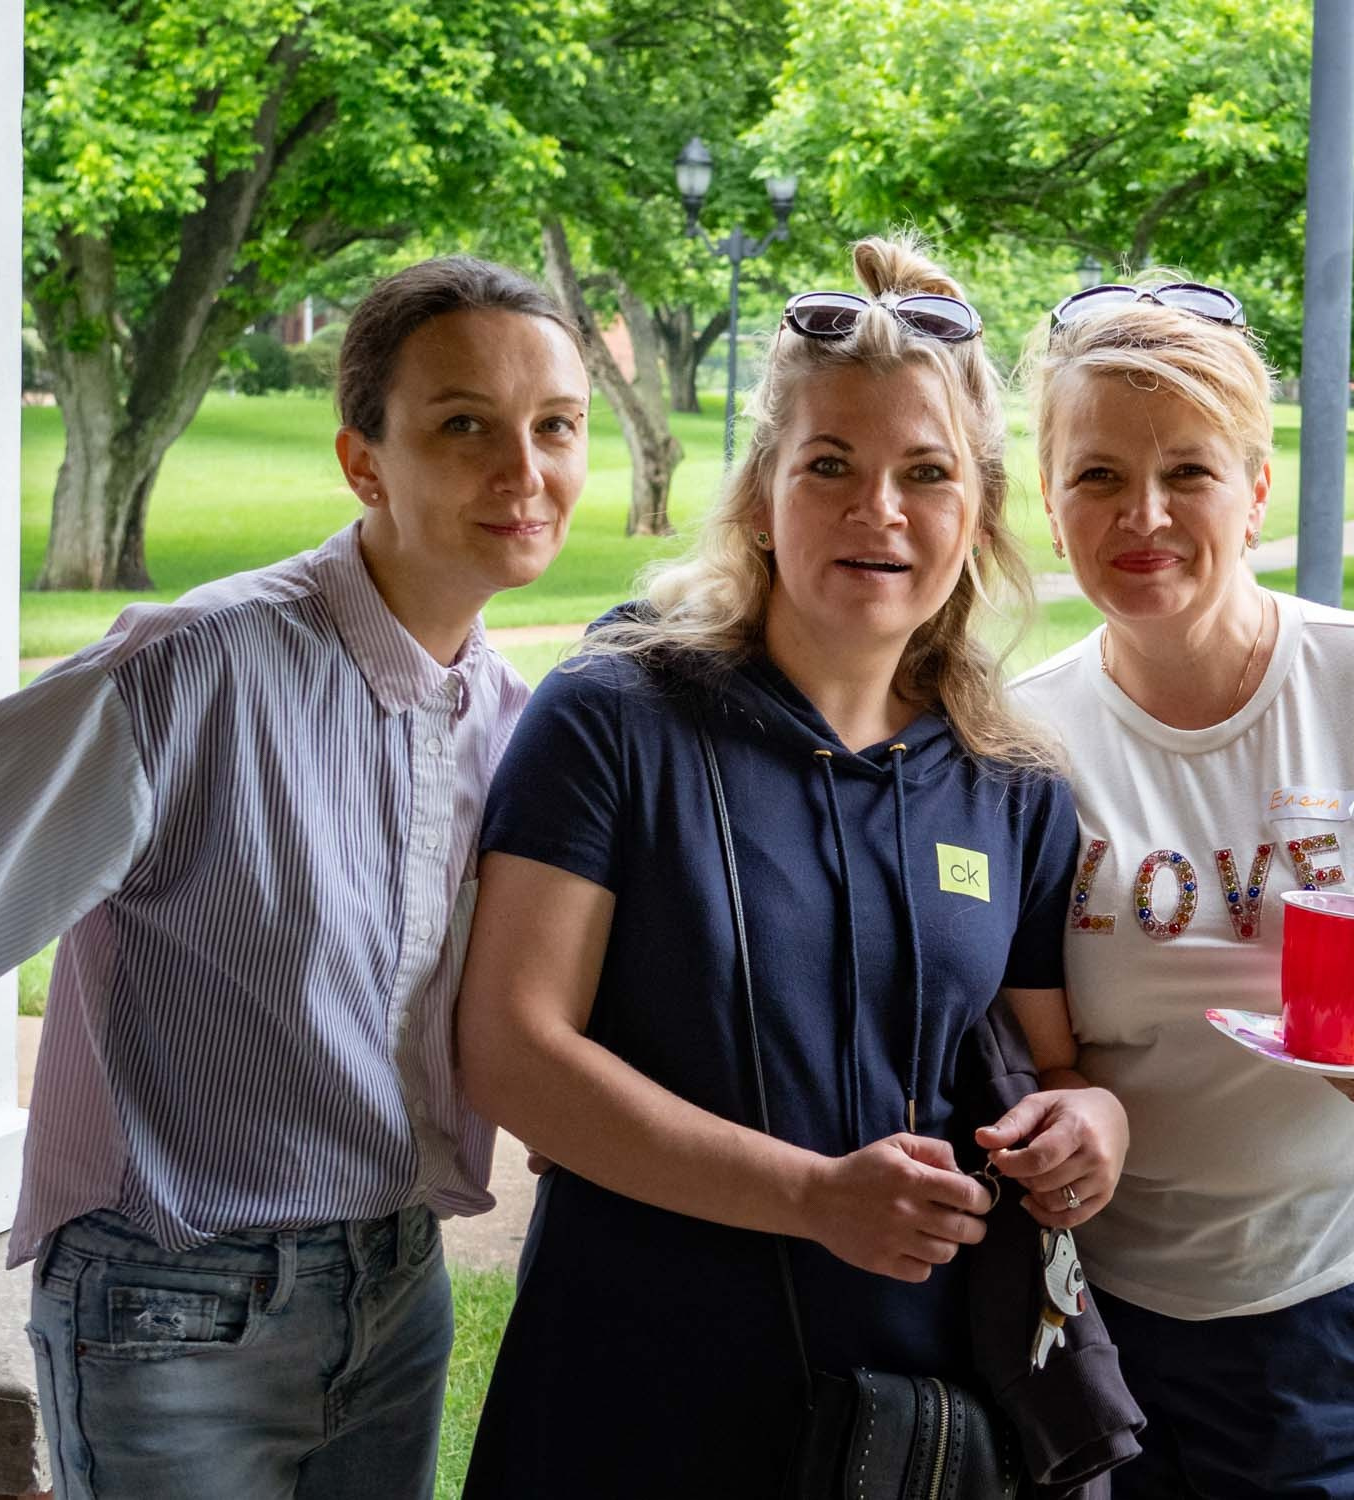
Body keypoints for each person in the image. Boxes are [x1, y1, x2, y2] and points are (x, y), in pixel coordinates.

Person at [0, 256, 592, 1500]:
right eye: (463, 424)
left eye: (555, 427)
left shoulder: (506, 718)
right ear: (365, 460)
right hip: (174, 1312)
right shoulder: (194, 669)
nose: (523, 472)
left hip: (399, 1292)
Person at [453, 238, 1130, 1497]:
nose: (880, 510)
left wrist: (1093, 1119)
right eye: (831, 465)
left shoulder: (1014, 784)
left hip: (906, 1426)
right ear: (763, 491)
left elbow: (1055, 1065)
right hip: (631, 1395)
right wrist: (816, 1197)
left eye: (925, 474)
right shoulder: (614, 718)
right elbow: (509, 1049)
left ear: (974, 510)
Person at [1014, 278, 1354, 1497]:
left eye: (1191, 472)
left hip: (1331, 1291)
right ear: (1050, 502)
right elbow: (1007, 1012)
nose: (1142, 514)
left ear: (1259, 489)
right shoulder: (1018, 740)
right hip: (1090, 1301)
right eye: (1098, 475)